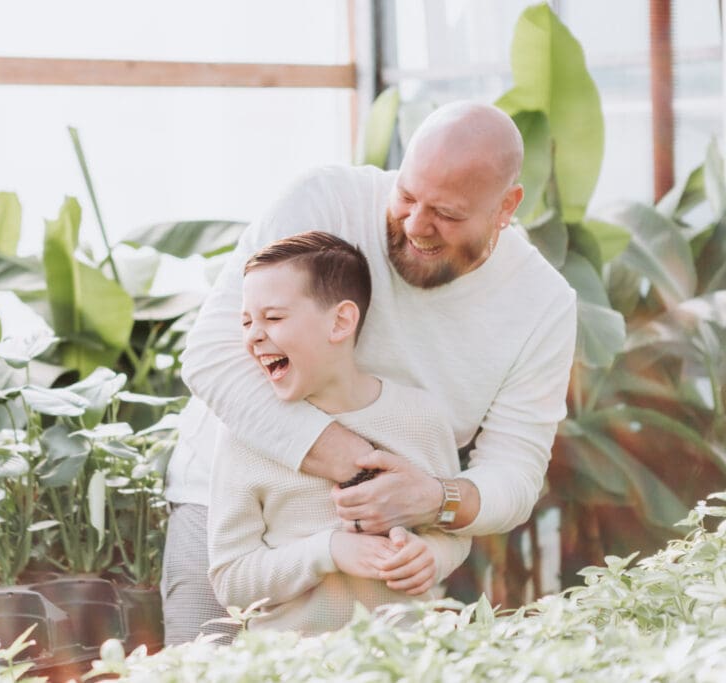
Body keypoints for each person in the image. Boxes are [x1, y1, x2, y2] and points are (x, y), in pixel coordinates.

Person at [160, 101, 577, 645]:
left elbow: (514, 471)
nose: (414, 225)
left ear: (506, 207)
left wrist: (435, 500)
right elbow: (214, 352)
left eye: (447, 214)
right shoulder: (323, 199)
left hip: (383, 551)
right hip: (231, 506)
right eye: (405, 195)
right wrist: (355, 467)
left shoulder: (542, 304)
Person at [207, 231, 470, 634]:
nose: (253, 335)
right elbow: (231, 580)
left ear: (341, 321)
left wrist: (431, 555)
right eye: (246, 321)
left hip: (409, 661)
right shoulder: (244, 437)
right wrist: (327, 551)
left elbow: (451, 532)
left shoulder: (421, 417)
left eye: (273, 317)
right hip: (289, 667)